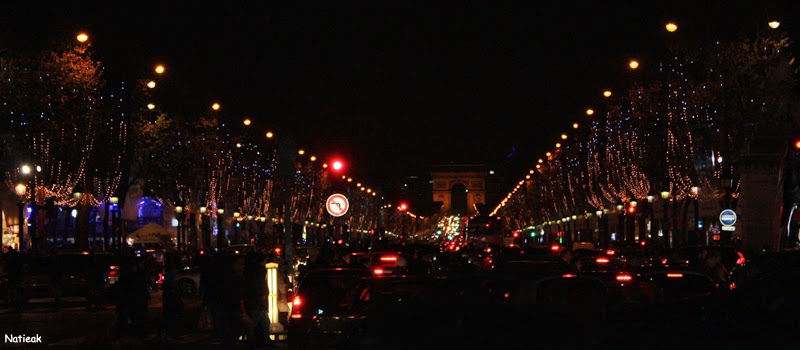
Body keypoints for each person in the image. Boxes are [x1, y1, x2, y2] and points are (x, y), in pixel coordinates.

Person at [243, 252, 276, 349]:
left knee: (260, 322)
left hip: (255, 302)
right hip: (258, 302)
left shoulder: (249, 271)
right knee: (262, 321)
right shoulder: (259, 271)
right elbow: (260, 285)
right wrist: (262, 294)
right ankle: (263, 341)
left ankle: (259, 341)